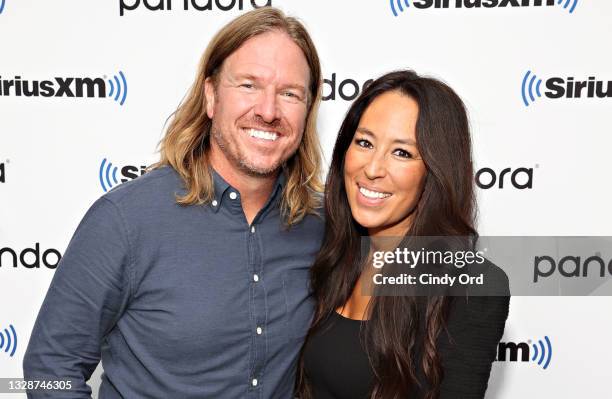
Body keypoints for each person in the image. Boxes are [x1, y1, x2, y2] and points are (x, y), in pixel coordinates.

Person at [23, 7, 325, 398]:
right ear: (212, 96)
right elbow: (49, 366)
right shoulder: (125, 221)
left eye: (289, 93)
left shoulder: (320, 225)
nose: (268, 111)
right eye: (248, 85)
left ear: (308, 108)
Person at [298, 70, 510, 399]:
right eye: (365, 143)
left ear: (435, 171)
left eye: (402, 153)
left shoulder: (471, 286)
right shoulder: (330, 252)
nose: (372, 169)